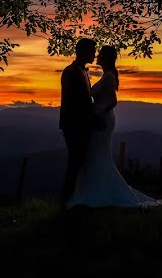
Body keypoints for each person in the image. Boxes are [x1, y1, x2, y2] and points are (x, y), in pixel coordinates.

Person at [64, 44, 162, 208]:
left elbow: (112, 101)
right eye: (94, 52)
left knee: (97, 154)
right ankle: (91, 190)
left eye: (98, 54)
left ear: (104, 58)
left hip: (101, 120)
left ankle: (93, 192)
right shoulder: (93, 74)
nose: (96, 56)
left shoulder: (107, 76)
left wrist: (99, 113)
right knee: (95, 155)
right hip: (95, 120)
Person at [59, 37, 100, 207]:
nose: (94, 54)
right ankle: (67, 201)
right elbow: (76, 102)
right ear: (83, 51)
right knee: (74, 163)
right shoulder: (70, 72)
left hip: (81, 125)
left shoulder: (83, 72)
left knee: (79, 162)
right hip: (74, 125)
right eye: (92, 50)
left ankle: (75, 199)